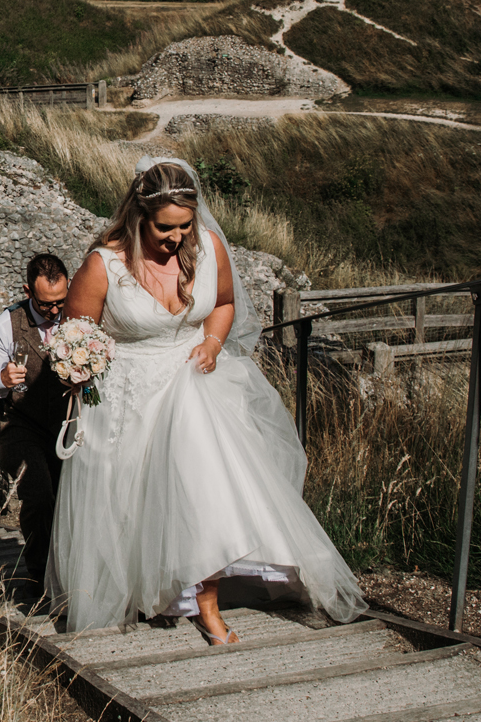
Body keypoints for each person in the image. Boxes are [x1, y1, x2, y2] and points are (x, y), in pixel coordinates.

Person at [46, 156, 365, 641]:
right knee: (127, 499)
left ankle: (208, 601)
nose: (177, 239)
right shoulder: (103, 264)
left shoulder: (209, 246)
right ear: (138, 214)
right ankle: (138, 589)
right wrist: (78, 367)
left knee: (201, 487)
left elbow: (225, 304)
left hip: (193, 379)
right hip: (127, 393)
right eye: (164, 228)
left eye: (185, 226)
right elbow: (75, 333)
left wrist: (213, 343)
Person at [0, 252, 72, 607]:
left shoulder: (76, 313)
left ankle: (72, 573)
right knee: (39, 493)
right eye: (46, 304)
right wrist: (1, 379)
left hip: (68, 424)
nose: (54, 310)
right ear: (28, 291)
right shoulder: (7, 324)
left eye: (61, 300)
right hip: (22, 426)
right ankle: (40, 575)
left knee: (72, 498)